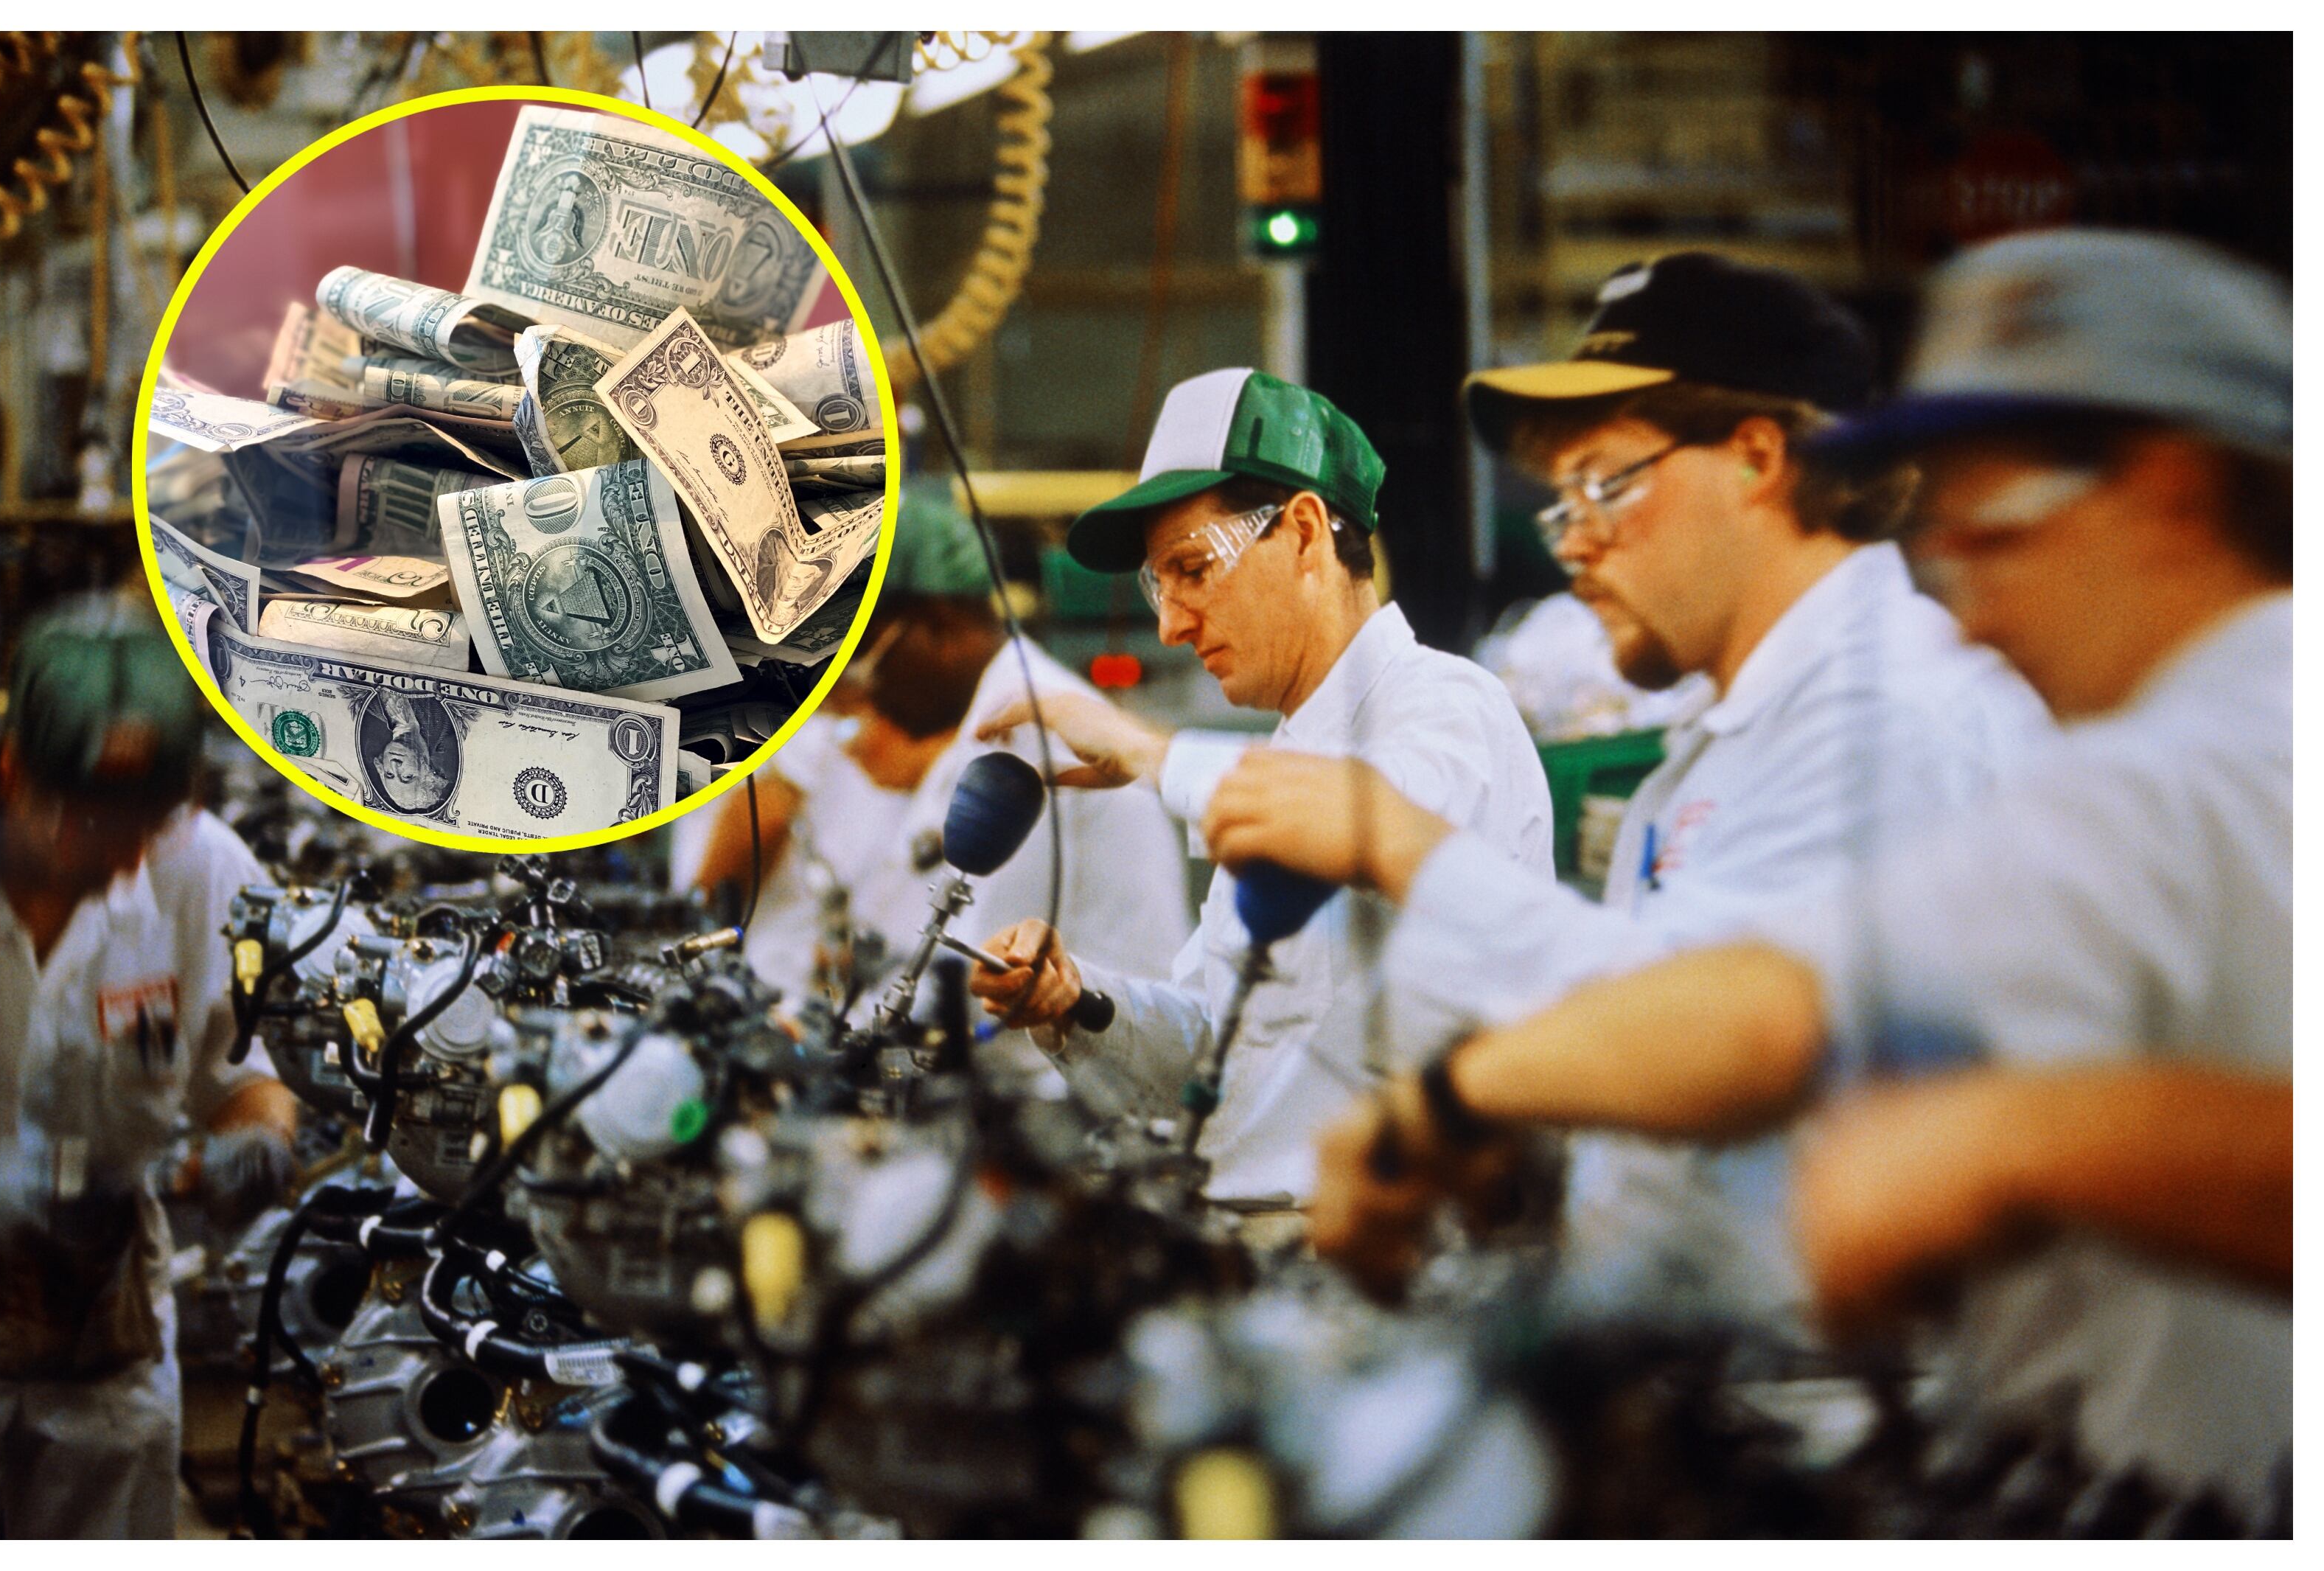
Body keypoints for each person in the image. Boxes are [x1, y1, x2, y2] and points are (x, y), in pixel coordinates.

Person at [1310, 230, 2291, 1528]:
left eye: (1993, 531)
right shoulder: (2160, 746)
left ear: (2166, 490)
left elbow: (1775, 1020)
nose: (1972, 609)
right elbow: (1791, 995)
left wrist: (2025, 1142)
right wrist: (1488, 1124)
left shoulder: (2176, 755)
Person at [1198, 252, 2049, 1320]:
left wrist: (1408, 858)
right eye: (1561, 504)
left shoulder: (1887, 716)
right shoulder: (1725, 735)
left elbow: (1728, 1036)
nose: (1579, 542)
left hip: (1842, 1392)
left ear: (1756, 457)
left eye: (1606, 483)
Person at [968, 369, 1552, 1207]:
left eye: (1193, 568)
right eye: (1156, 586)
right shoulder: (1294, 751)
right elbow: (1222, 1054)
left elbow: (1369, 826)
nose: (1170, 623)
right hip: (1256, 1242)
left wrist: (1151, 752)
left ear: (1307, 533)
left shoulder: (1447, 706)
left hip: (1398, 1258)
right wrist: (1077, 1002)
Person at [0, 593, 301, 1538]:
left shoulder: (203, 871)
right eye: (87, 827)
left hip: (108, 1339)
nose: (119, 860)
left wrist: (258, 1139)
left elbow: (248, 1073)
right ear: (15, 772)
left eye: (142, 828)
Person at [693, 481, 1190, 1026]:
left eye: (861, 660)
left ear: (939, 625)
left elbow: (963, 977)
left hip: (1083, 1081)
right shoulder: (987, 725)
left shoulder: (1034, 737)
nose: (866, 694)